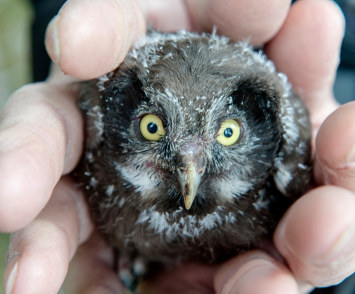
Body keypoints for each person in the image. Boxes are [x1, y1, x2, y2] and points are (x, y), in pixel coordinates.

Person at [1, 0, 354, 293]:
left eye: (229, 133)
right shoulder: (104, 100)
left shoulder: (281, 119)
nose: (190, 170)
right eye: (151, 128)